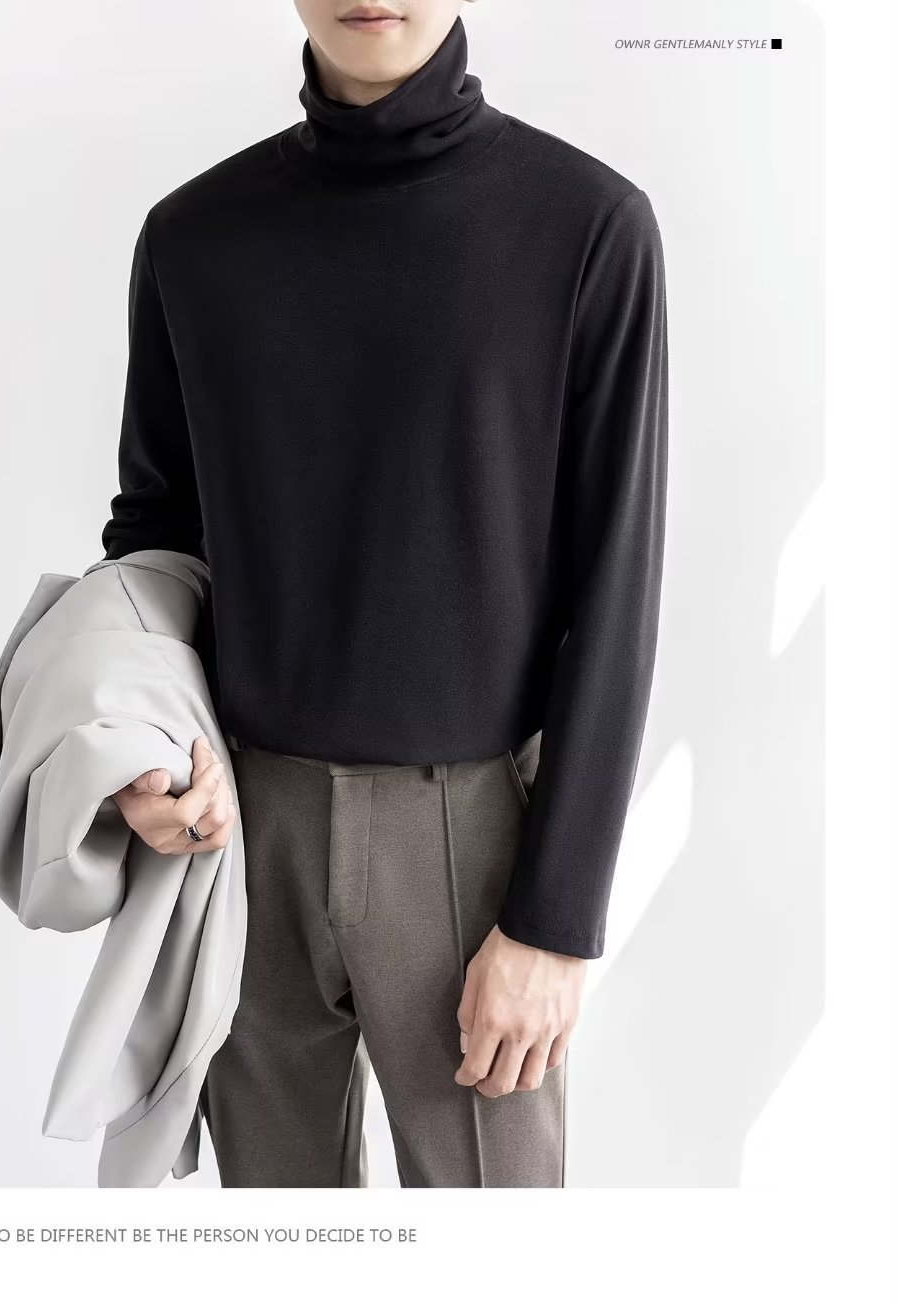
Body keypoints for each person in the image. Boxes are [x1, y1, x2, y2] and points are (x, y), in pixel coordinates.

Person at [101, 0, 668, 1187]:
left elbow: (615, 593)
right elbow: (154, 538)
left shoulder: (587, 227)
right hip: (242, 824)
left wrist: (556, 918)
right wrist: (139, 753)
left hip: (473, 840)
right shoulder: (194, 238)